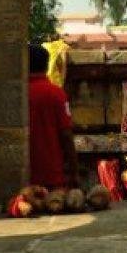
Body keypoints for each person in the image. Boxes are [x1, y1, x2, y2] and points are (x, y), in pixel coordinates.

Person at [28, 43, 79, 189]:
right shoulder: (56, 94)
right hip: (51, 175)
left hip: (23, 176)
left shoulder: (19, 93)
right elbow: (66, 135)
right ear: (46, 66)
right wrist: (74, 172)